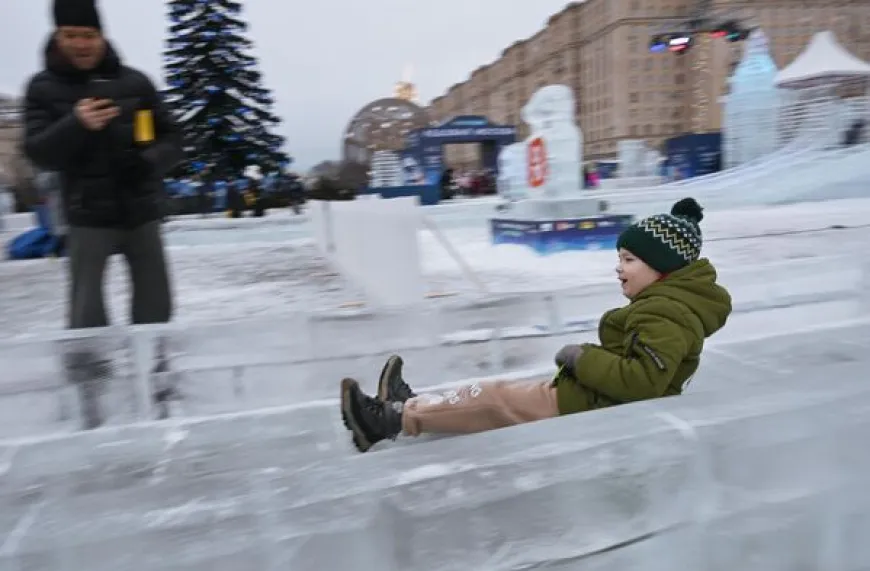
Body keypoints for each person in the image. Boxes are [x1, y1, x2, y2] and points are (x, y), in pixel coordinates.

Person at [340, 197, 732, 452]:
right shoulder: (665, 306)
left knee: (493, 400)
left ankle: (387, 420)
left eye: (629, 260)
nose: (618, 268)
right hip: (590, 398)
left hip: (593, 407)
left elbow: (642, 382)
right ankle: (409, 404)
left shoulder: (666, 314)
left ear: (661, 267)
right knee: (494, 393)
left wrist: (581, 358)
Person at [22, 0, 182, 427]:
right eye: (71, 35)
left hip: (140, 210)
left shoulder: (135, 82)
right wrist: (76, 123)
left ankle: (157, 375)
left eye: (89, 35)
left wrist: (149, 162)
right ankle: (92, 390)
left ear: (103, 36)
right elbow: (37, 151)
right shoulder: (42, 88)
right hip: (86, 215)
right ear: (58, 37)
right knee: (86, 308)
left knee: (155, 301)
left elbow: (173, 139)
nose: (81, 44)